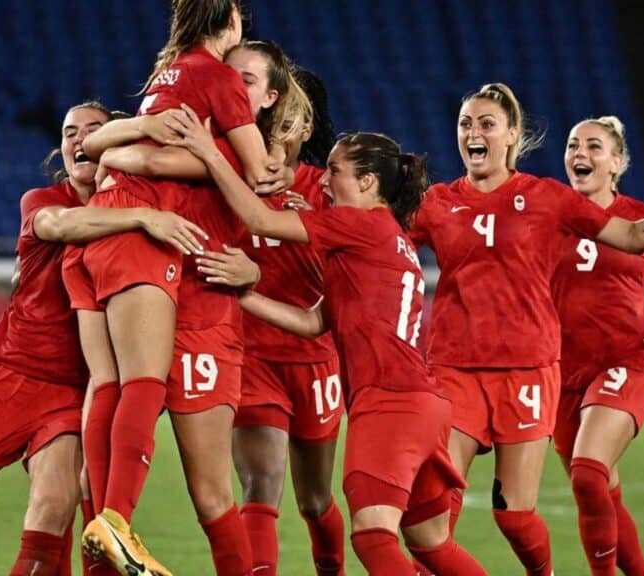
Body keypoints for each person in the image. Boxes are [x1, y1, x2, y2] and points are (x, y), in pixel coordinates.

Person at [407, 82, 644, 575]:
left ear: (512, 134)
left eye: (487, 123)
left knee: (528, 509)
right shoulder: (436, 203)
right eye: (466, 123)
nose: (473, 132)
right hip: (459, 368)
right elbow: (381, 241)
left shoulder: (548, 200)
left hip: (542, 370)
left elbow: (637, 239)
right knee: (429, 512)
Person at [0, 102, 205, 576]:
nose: (80, 139)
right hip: (14, 375)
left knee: (52, 512)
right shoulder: (42, 200)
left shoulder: (148, 208)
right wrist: (142, 218)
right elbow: (59, 226)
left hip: (75, 392)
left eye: (94, 130)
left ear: (118, 142)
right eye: (70, 132)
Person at [167, 109, 490, 573]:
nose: (320, 183)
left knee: (374, 536)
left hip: (389, 404)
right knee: (429, 541)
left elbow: (258, 217)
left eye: (335, 171)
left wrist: (206, 152)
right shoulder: (389, 238)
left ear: (367, 183)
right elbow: (314, 321)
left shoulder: (360, 224)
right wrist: (244, 296)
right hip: (423, 403)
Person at [67, 3, 282, 571]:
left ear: (277, 101)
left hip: (194, 298)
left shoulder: (172, 77)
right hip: (153, 254)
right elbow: (253, 178)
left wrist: (130, 148)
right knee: (137, 385)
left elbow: (253, 201)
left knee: (119, 392)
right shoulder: (215, 84)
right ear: (231, 18)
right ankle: (111, 523)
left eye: (253, 79)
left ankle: (107, 525)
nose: (241, 82)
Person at [552, 116, 644, 576]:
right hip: (558, 373)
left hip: (624, 362)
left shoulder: (641, 217)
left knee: (588, 472)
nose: (580, 154)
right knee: (600, 489)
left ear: (616, 163)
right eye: (574, 144)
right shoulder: (547, 214)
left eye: (594, 147)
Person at [231, 61, 346, 576]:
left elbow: (352, 278)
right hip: (252, 355)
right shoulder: (229, 183)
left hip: (315, 359)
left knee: (316, 501)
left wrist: (319, 229)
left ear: (304, 128)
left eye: (284, 126)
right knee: (261, 484)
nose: (271, 135)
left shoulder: (329, 191)